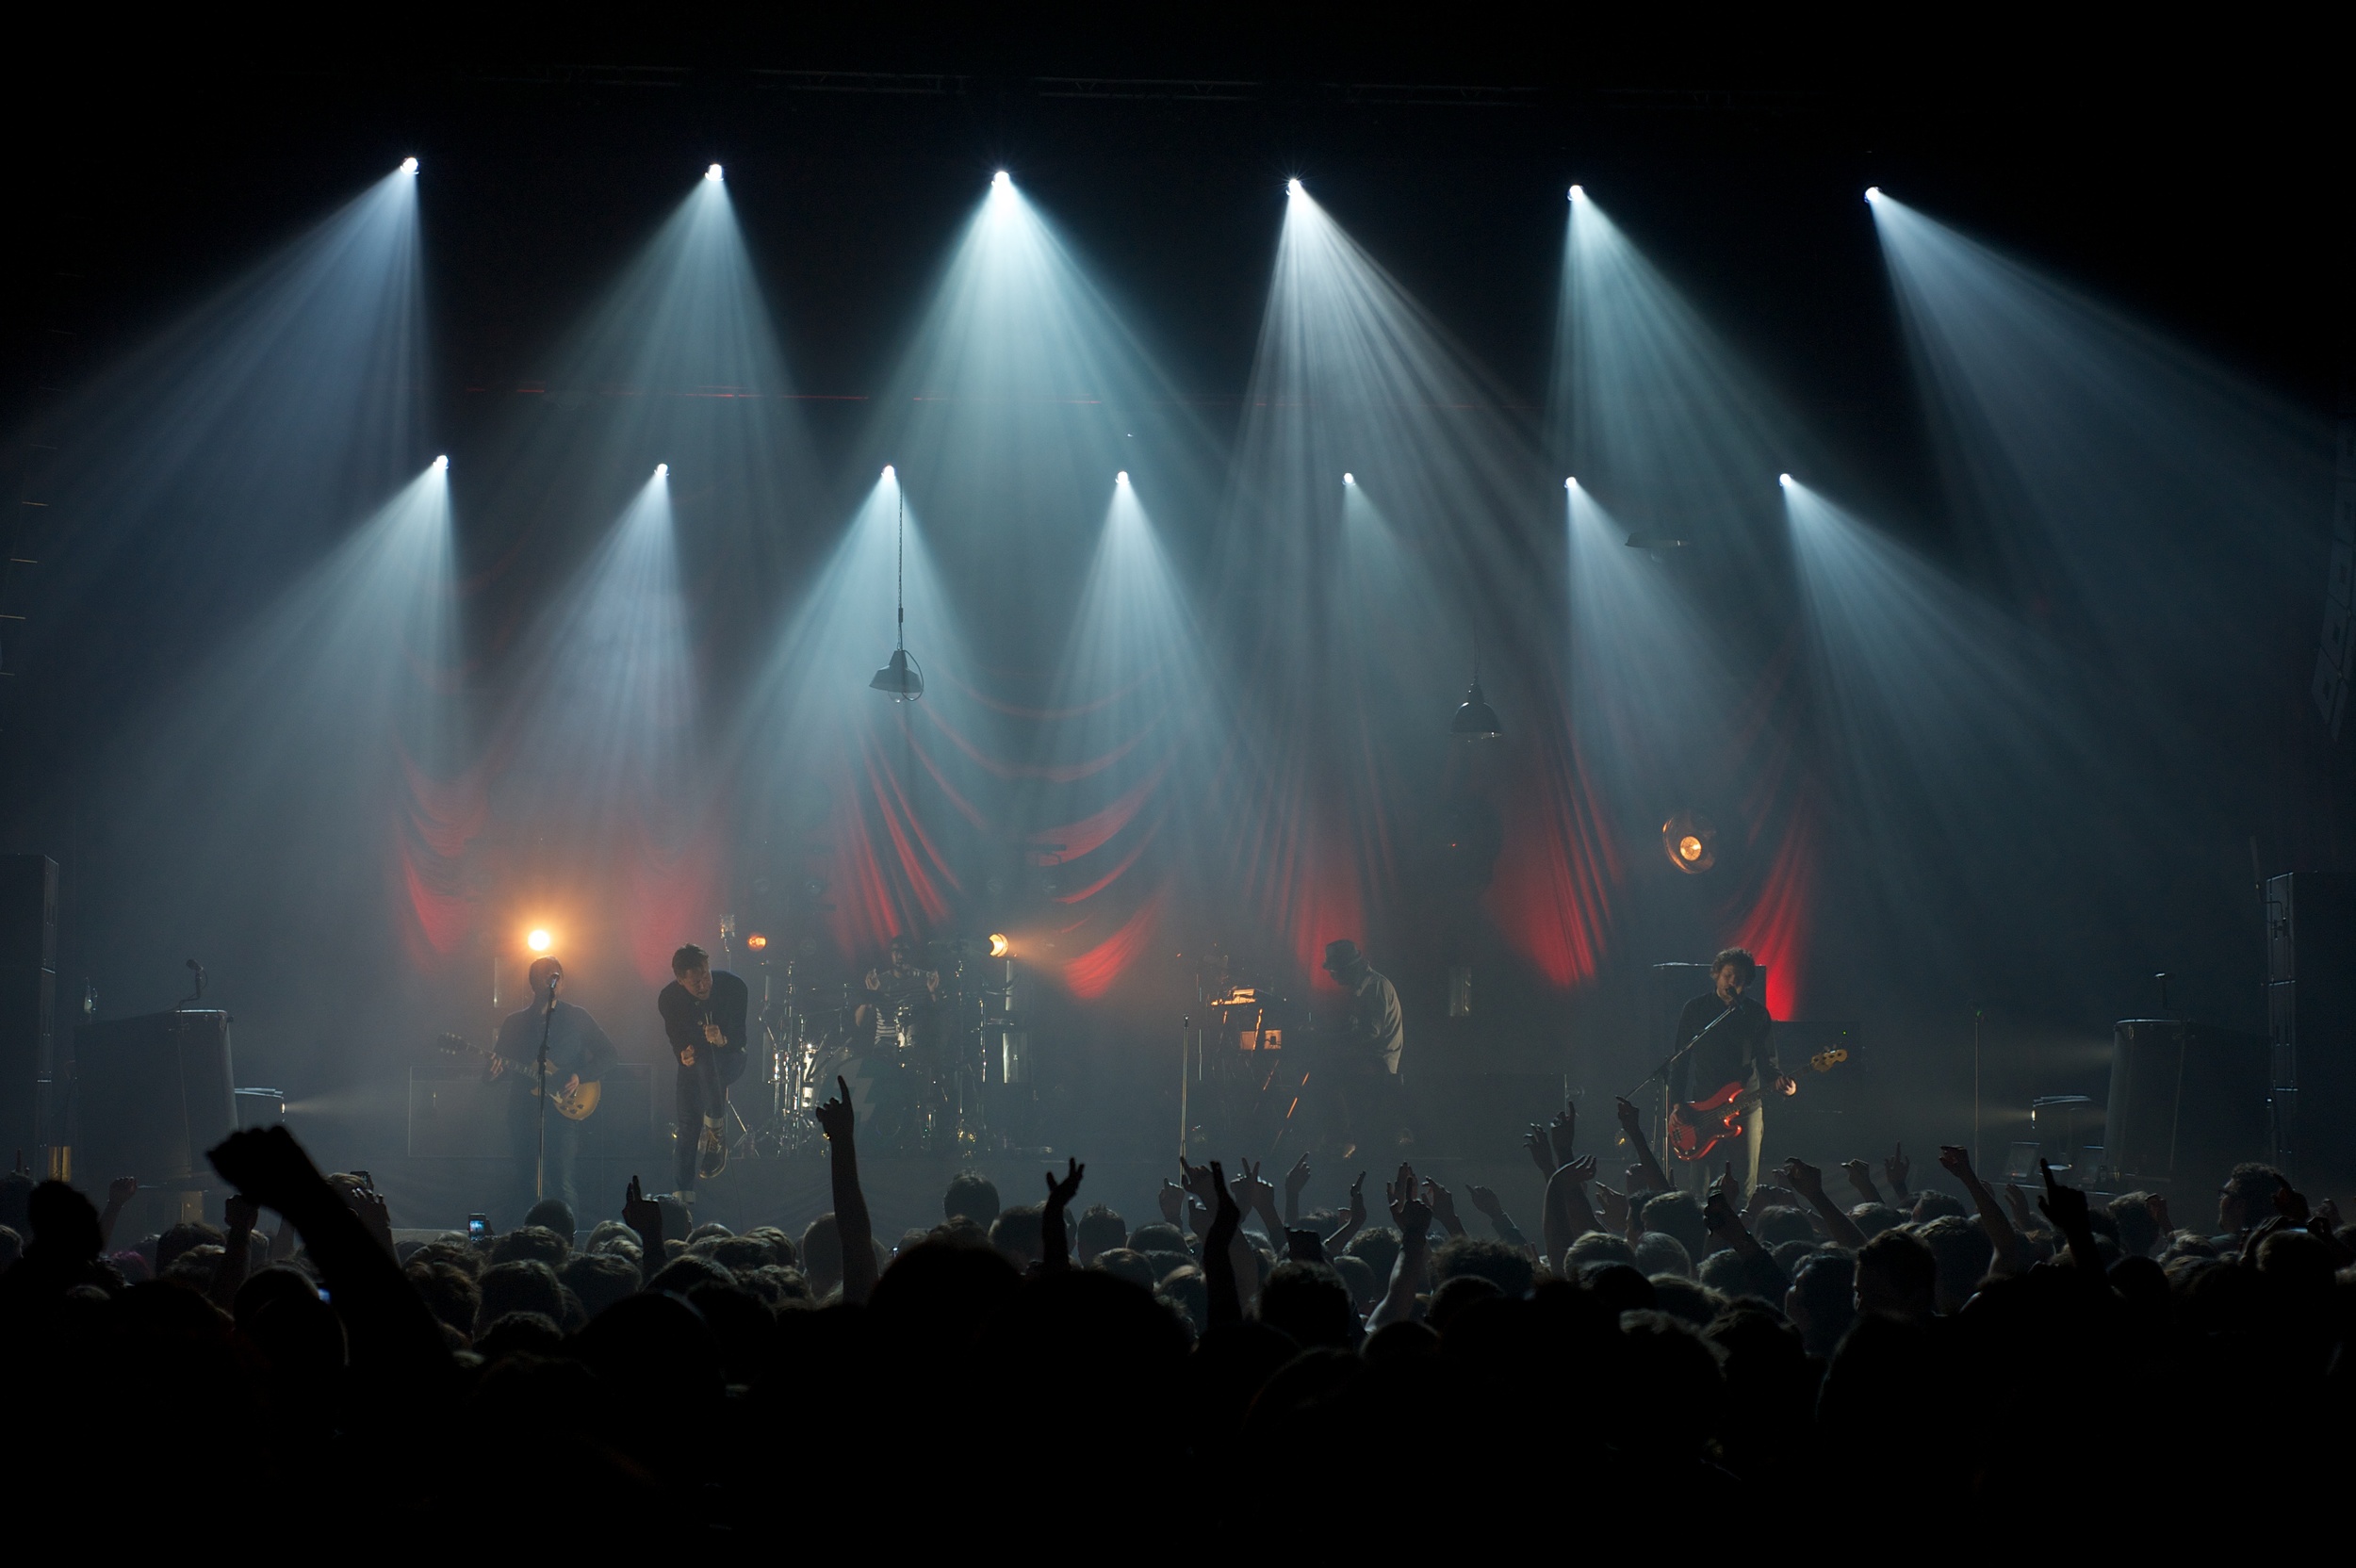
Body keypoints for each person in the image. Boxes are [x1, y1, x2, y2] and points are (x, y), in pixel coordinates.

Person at [490, 956, 616, 1220]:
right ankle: (531, 1240)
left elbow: (609, 1055)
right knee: (527, 1180)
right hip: (523, 1111)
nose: (553, 981)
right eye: (546, 976)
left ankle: (569, 1244)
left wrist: (580, 1075)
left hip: (563, 1110)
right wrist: (494, 1072)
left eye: (556, 975)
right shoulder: (514, 1023)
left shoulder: (578, 1017)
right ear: (533, 984)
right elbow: (494, 1073)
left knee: (562, 1181)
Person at [1670, 948, 1792, 1200]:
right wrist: (1676, 1104)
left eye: (1739, 978)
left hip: (1745, 1106)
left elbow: (1768, 1061)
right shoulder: (1695, 1009)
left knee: (1744, 1184)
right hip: (1702, 1109)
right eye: (1728, 975)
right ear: (1716, 975)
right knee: (1699, 1186)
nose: (1732, 982)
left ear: (1747, 983)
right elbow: (1680, 1061)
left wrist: (1781, 1083)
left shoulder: (1756, 1014)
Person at [659, 943, 750, 1200]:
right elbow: (675, 1039)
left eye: (706, 977)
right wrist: (682, 1055)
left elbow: (740, 1040)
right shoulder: (669, 999)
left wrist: (722, 1039)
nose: (703, 986)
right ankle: (682, 1197)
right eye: (695, 983)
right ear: (680, 981)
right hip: (695, 1065)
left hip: (729, 1059)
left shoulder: (733, 987)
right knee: (687, 1126)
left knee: (708, 1063)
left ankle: (716, 1131)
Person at [1319, 939, 1404, 1158]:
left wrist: (1333, 1042)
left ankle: (1345, 1138)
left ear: (1347, 968)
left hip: (1380, 1062)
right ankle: (1346, 1136)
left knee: (1327, 1073)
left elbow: (1370, 1033)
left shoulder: (1375, 988)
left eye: (1335, 970)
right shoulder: (1364, 987)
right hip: (1372, 1057)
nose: (1333, 976)